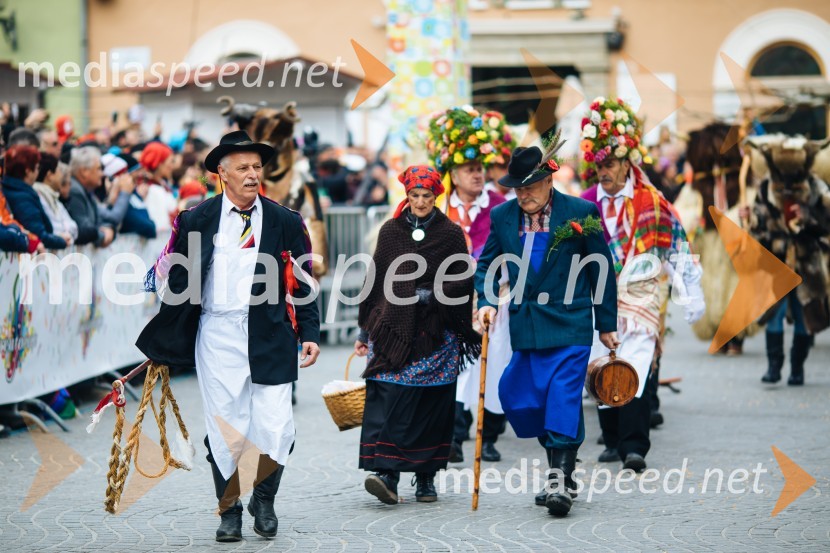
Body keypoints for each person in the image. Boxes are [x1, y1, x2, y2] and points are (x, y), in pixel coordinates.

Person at [136, 130, 320, 542]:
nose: (253, 174)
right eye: (243, 168)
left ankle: (264, 499)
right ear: (222, 173)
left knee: (277, 426)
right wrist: (166, 338)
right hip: (217, 332)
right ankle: (230, 510)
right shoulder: (195, 219)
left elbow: (304, 281)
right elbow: (174, 281)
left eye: (257, 167)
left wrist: (309, 331)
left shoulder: (286, 221)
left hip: (271, 331)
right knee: (226, 426)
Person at [474, 142, 618, 517]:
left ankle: (558, 477)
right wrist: (487, 301)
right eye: (517, 188)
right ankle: (562, 467)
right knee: (524, 397)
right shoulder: (504, 215)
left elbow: (600, 268)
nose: (523, 195)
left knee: (563, 397)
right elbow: (486, 264)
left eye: (530, 187)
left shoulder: (581, 212)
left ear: (549, 180)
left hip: (570, 322)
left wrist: (605, 324)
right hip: (527, 324)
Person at [579, 97, 705, 473]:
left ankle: (634, 446)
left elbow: (677, 243)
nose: (603, 171)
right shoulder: (583, 203)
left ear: (628, 161)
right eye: (598, 164)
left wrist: (690, 289)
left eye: (611, 163)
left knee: (633, 363)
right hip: (597, 296)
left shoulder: (652, 201)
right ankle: (612, 438)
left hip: (642, 295)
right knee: (602, 363)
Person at [354, 164, 481, 505]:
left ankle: (426, 477)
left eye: (426, 196)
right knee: (392, 396)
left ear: (436, 196)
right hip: (394, 331)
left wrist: (432, 293)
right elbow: (374, 281)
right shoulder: (391, 231)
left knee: (432, 403)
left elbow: (463, 277)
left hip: (436, 334)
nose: (420, 202)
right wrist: (365, 331)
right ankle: (388, 474)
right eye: (414, 196)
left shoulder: (451, 233)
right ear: (406, 196)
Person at [425, 106, 517, 463]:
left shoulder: (500, 206)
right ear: (453, 172)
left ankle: (490, 434)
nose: (478, 174)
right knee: (455, 365)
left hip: (495, 298)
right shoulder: (436, 208)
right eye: (470, 169)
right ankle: (455, 434)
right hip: (448, 301)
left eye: (481, 168)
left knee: (494, 363)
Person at [744, 136, 830, 385]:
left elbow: (826, 222)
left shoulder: (815, 188)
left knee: (806, 316)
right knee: (774, 314)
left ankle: (797, 368)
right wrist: (752, 222)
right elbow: (758, 228)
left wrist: (807, 219)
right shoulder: (766, 190)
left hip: (807, 263)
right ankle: (774, 366)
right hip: (776, 263)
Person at [2, 145, 70, 249]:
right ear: (28, 171)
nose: (38, 173)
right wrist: (61, 241)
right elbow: (38, 234)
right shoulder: (22, 197)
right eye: (37, 168)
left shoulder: (14, 191)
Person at [65, 146, 119, 246]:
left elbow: (100, 221)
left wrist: (110, 229)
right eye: (99, 169)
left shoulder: (86, 190)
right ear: (84, 171)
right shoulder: (74, 191)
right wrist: (102, 235)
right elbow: (83, 229)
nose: (102, 174)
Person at [33, 154, 78, 242]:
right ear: (50, 175)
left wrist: (66, 235)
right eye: (59, 170)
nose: (61, 175)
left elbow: (74, 227)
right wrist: (62, 235)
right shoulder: (38, 196)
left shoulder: (54, 197)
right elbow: (53, 228)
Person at [135, 141, 178, 232]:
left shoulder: (159, 185)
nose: (172, 166)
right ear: (159, 163)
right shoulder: (153, 189)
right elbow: (161, 225)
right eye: (171, 161)